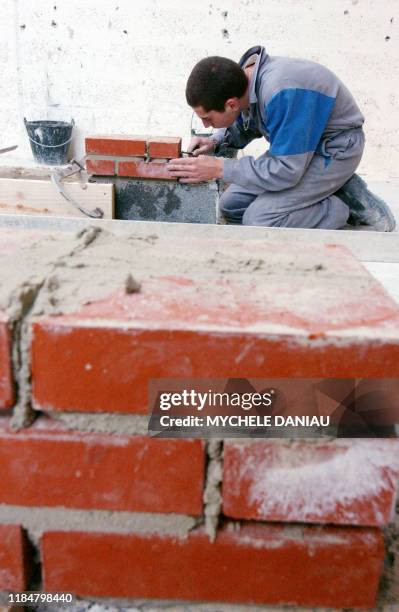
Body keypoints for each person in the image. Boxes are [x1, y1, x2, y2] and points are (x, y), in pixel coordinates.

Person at [167, 45, 395, 231]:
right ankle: (321, 191)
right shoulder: (245, 81)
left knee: (260, 220)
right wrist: (216, 141)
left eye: (207, 118)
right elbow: (248, 121)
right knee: (231, 205)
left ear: (231, 104)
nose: (205, 125)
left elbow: (285, 170)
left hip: (335, 150)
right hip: (301, 149)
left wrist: (220, 168)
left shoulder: (282, 92)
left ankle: (344, 205)